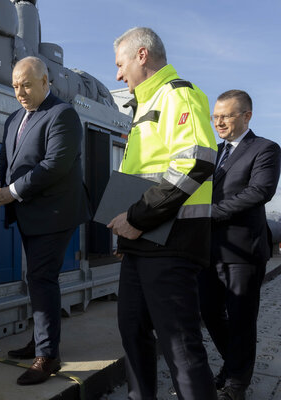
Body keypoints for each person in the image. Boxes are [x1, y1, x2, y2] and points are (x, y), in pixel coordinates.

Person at [107, 27, 218, 399]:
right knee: (132, 332)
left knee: (179, 347)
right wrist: (127, 229)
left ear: (142, 56)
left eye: (120, 64)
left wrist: (136, 218)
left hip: (170, 242)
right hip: (143, 242)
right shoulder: (143, 108)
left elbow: (197, 161)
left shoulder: (178, 95)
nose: (118, 75)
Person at [0, 56, 92, 385]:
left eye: (27, 85)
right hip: (29, 211)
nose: (20, 92)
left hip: (56, 213)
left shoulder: (63, 115)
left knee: (41, 278)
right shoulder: (14, 118)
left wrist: (11, 193)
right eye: (15, 86)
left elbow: (54, 166)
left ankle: (47, 357)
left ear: (46, 82)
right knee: (36, 278)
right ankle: (41, 342)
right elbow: (5, 159)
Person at [199, 90, 281, 400]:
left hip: (242, 251)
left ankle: (237, 383)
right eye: (215, 116)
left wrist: (208, 213)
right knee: (209, 311)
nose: (218, 122)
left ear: (246, 116)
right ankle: (234, 366)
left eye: (225, 116)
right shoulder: (212, 152)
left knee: (242, 319)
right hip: (208, 249)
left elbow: (260, 191)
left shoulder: (265, 149)